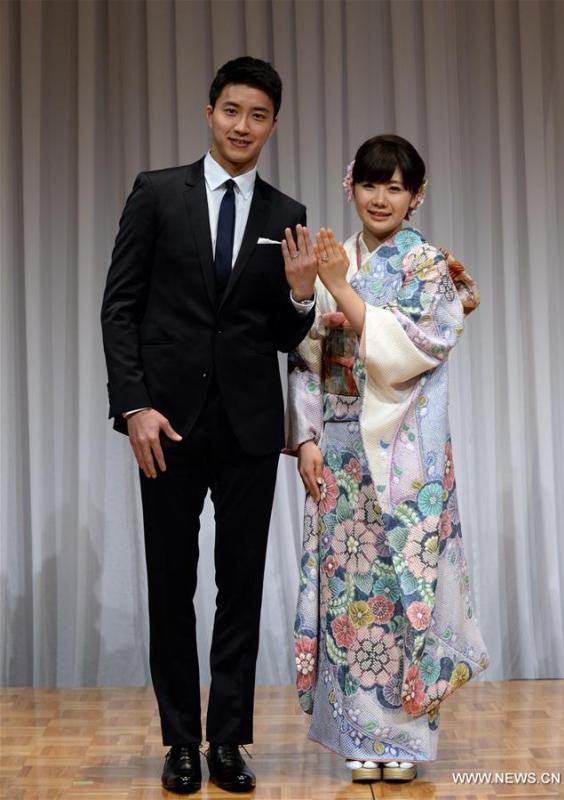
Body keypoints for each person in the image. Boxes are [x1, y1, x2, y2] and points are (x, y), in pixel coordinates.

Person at [101, 57, 317, 795]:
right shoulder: (158, 194)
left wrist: (298, 299)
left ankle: (227, 740)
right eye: (232, 110)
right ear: (208, 112)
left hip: (251, 429)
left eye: (258, 115)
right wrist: (133, 406)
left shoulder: (287, 213)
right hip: (166, 425)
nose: (242, 127)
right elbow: (120, 307)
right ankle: (178, 741)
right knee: (170, 583)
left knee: (240, 588)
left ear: (273, 125)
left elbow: (288, 338)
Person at [286, 134, 488, 783]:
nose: (381, 196)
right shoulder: (332, 258)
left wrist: (341, 291)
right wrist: (308, 439)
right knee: (350, 596)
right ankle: (357, 735)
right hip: (342, 451)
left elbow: (406, 352)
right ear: (351, 186)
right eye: (371, 183)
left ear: (415, 197)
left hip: (408, 456)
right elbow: (305, 358)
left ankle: (403, 741)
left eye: (395, 186)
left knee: (406, 594)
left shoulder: (427, 265)